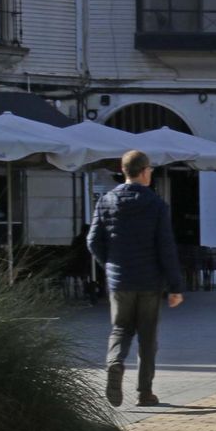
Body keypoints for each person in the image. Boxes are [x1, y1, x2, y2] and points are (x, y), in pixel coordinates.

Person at [87, 150, 185, 409]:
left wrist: (110, 264)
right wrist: (175, 287)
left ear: (124, 170)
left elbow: (92, 240)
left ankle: (114, 363)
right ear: (143, 171)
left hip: (119, 281)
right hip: (149, 282)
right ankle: (145, 393)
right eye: (150, 169)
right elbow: (166, 247)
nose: (151, 173)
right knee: (147, 337)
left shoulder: (106, 201)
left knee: (120, 329)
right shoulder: (156, 204)